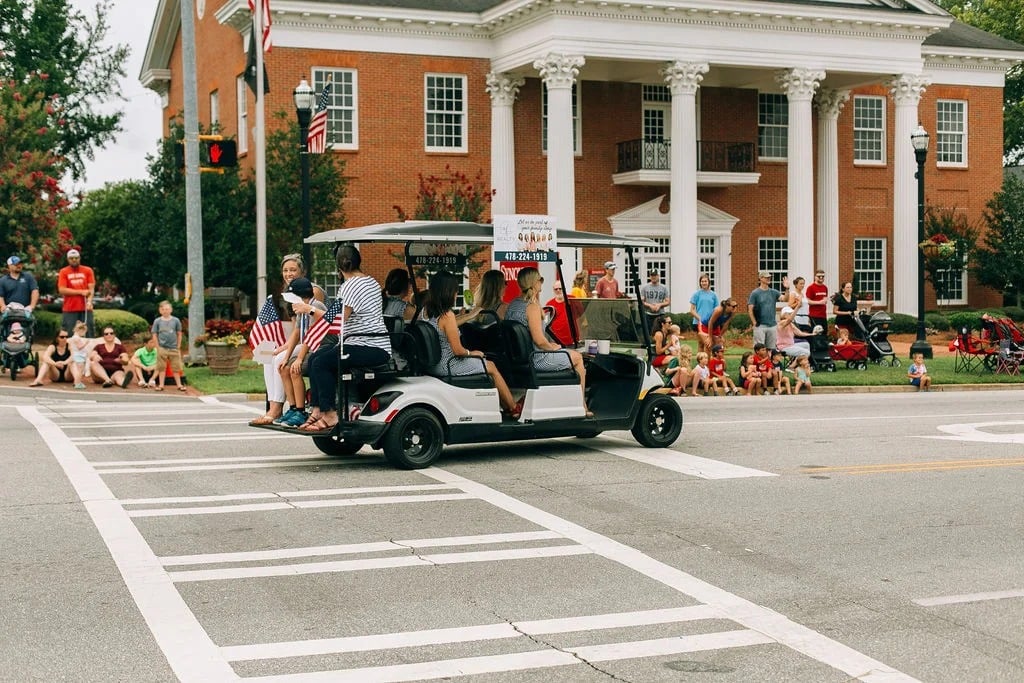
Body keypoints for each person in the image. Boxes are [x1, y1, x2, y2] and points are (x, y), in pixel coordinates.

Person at [301, 244, 392, 433]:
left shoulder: (349, 286)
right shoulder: (372, 281)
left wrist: (308, 309)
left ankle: (330, 414)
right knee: (316, 358)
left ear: (339, 267)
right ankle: (317, 409)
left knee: (320, 363)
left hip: (368, 345)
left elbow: (339, 319)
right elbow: (337, 314)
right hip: (370, 344)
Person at [425, 271, 520, 417]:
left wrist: (471, 314)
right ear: (448, 292)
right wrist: (473, 353)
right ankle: (513, 407)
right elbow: (458, 351)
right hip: (449, 364)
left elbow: (449, 325)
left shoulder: (431, 313)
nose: (457, 294)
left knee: (486, 364)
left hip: (437, 364)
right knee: (491, 366)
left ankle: (503, 405)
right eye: (456, 291)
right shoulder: (447, 315)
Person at [250, 253, 323, 426]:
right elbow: (297, 329)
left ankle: (286, 410)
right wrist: (282, 348)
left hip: (315, 343)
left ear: (302, 271)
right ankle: (275, 408)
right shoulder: (290, 294)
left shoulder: (313, 292)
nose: (288, 273)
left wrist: (291, 354)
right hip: (301, 341)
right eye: (285, 270)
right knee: (268, 356)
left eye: (293, 270)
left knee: (279, 359)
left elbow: (312, 329)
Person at [506, 267, 590, 416]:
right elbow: (539, 340)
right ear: (533, 283)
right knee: (577, 358)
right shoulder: (531, 307)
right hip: (538, 359)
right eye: (540, 279)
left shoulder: (513, 305)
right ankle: (582, 406)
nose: (541, 283)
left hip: (520, 359)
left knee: (567, 353)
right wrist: (552, 347)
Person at [275, 277, 327, 427]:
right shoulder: (300, 309)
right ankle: (292, 407)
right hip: (309, 348)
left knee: (294, 369)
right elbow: (297, 332)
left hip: (320, 348)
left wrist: (299, 359)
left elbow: (311, 335)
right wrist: (286, 356)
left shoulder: (315, 306)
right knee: (284, 368)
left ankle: (300, 411)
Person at [57, 248, 96, 335]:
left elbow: (91, 288)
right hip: (70, 308)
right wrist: (80, 292)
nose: (74, 260)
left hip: (85, 308)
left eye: (76, 257)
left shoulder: (88, 270)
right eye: (71, 258)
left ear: (79, 258)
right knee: (69, 333)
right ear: (68, 260)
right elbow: (62, 289)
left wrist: (89, 301)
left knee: (89, 332)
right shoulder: (63, 272)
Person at [748, 270, 788, 349]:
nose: (769, 279)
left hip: (772, 325)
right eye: (766, 277)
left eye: (769, 277)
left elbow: (785, 299)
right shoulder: (755, 293)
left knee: (771, 349)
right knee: (759, 348)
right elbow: (750, 309)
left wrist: (787, 288)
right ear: (761, 278)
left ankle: (769, 361)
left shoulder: (774, 292)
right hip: (760, 325)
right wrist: (754, 322)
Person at [152, 300, 185, 391]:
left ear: (171, 310)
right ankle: (161, 385)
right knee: (161, 367)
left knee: (176, 367)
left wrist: (178, 346)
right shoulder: (157, 321)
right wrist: (157, 347)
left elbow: (179, 333)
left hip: (173, 348)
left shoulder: (176, 320)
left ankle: (179, 385)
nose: (165, 311)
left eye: (167, 309)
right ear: (160, 310)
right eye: (163, 309)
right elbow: (154, 334)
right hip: (162, 347)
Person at [689, 274, 719, 354]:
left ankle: (708, 362)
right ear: (700, 283)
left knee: (710, 344)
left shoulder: (714, 295)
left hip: (710, 323)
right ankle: (700, 363)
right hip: (699, 322)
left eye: (705, 281)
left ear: (709, 282)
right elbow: (691, 310)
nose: (704, 283)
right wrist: (700, 318)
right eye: (702, 281)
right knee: (702, 343)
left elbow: (717, 309)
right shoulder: (697, 294)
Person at [544, 280, 574, 347]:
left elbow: (582, 318)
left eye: (560, 288)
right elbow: (545, 324)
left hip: (572, 341)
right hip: (556, 341)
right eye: (556, 289)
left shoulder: (572, 300)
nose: (558, 290)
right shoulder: (549, 304)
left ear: (564, 289)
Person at [68, 320, 90, 389]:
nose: (84, 334)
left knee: (80, 370)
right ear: (80, 330)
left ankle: (77, 382)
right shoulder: (76, 338)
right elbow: (79, 347)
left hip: (79, 355)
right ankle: (77, 382)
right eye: (84, 332)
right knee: (80, 370)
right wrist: (86, 343)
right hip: (78, 356)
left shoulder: (75, 337)